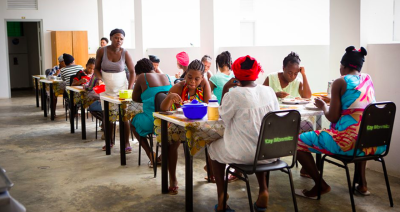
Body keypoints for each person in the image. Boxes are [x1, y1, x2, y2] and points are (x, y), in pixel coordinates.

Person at [295, 46, 385, 199]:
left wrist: (324, 106)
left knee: (296, 142)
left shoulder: (339, 82)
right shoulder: (367, 79)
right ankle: (362, 185)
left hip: (347, 144)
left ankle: (320, 185)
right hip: (373, 142)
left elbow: (333, 118)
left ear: (343, 66)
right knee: (360, 130)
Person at [207, 55, 279, 211]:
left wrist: (226, 89)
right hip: (271, 152)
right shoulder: (269, 91)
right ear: (257, 71)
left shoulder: (234, 94)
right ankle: (263, 190)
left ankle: (221, 198)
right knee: (259, 139)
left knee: (212, 148)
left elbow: (223, 117)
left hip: (243, 154)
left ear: (235, 73)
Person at [160, 59, 212, 195]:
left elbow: (207, 106)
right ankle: (173, 179)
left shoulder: (205, 85)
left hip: (200, 123)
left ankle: (211, 170)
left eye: (197, 78)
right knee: (171, 141)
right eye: (189, 77)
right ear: (185, 74)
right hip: (179, 124)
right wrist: (170, 97)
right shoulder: (178, 87)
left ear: (202, 77)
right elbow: (163, 109)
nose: (192, 82)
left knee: (216, 136)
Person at [94, 28, 135, 153]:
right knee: (107, 117)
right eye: (116, 38)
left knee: (124, 117)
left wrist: (129, 89)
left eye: (121, 38)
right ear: (111, 38)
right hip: (105, 87)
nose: (119, 40)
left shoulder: (125, 53)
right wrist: (99, 79)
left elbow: (133, 71)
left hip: (121, 88)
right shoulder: (102, 51)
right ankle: (109, 141)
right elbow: (96, 68)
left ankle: (126, 143)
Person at [131, 58, 172, 166]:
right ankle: (161, 156)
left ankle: (150, 154)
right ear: (152, 67)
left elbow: (134, 98)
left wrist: (147, 99)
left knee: (133, 123)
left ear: (139, 72)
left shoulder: (142, 77)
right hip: (168, 121)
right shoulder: (167, 76)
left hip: (152, 121)